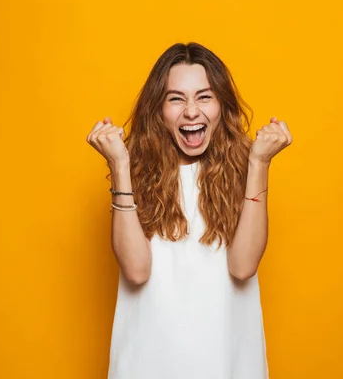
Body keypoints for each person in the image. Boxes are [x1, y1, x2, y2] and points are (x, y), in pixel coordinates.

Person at [86, 42, 292, 379]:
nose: (191, 111)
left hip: (227, 363)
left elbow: (243, 267)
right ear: (159, 110)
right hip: (147, 363)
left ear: (222, 106)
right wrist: (120, 165)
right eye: (176, 98)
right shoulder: (135, 172)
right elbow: (136, 271)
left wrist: (259, 162)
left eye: (204, 96)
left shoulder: (245, 170)